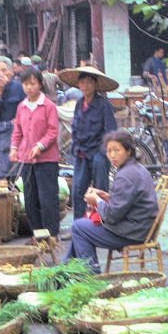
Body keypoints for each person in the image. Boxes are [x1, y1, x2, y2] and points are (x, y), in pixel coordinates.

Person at [62, 129, 158, 273]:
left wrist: (97, 200)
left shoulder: (126, 175)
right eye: (109, 151)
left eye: (117, 150)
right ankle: (64, 271)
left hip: (132, 232)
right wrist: (105, 196)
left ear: (128, 151)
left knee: (79, 228)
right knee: (80, 226)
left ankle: (91, 276)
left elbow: (112, 215)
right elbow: (126, 201)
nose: (112, 155)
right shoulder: (137, 169)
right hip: (140, 227)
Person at [57, 65, 118, 220]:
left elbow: (111, 132)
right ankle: (79, 226)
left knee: (99, 191)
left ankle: (102, 223)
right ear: (78, 85)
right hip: (81, 153)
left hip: (98, 154)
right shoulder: (78, 104)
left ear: (95, 85)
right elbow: (75, 129)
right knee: (78, 191)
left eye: (89, 82)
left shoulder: (104, 105)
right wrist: (75, 148)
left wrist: (104, 154)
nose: (85, 86)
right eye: (82, 82)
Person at [9, 68, 60, 236]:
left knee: (48, 199)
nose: (29, 87)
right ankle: (37, 234)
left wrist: (39, 146)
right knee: (30, 200)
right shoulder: (21, 106)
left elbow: (52, 131)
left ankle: (51, 235)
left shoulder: (48, 106)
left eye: (33, 83)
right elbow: (17, 130)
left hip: (46, 160)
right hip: (27, 160)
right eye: (25, 84)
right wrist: (14, 148)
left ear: (40, 84)